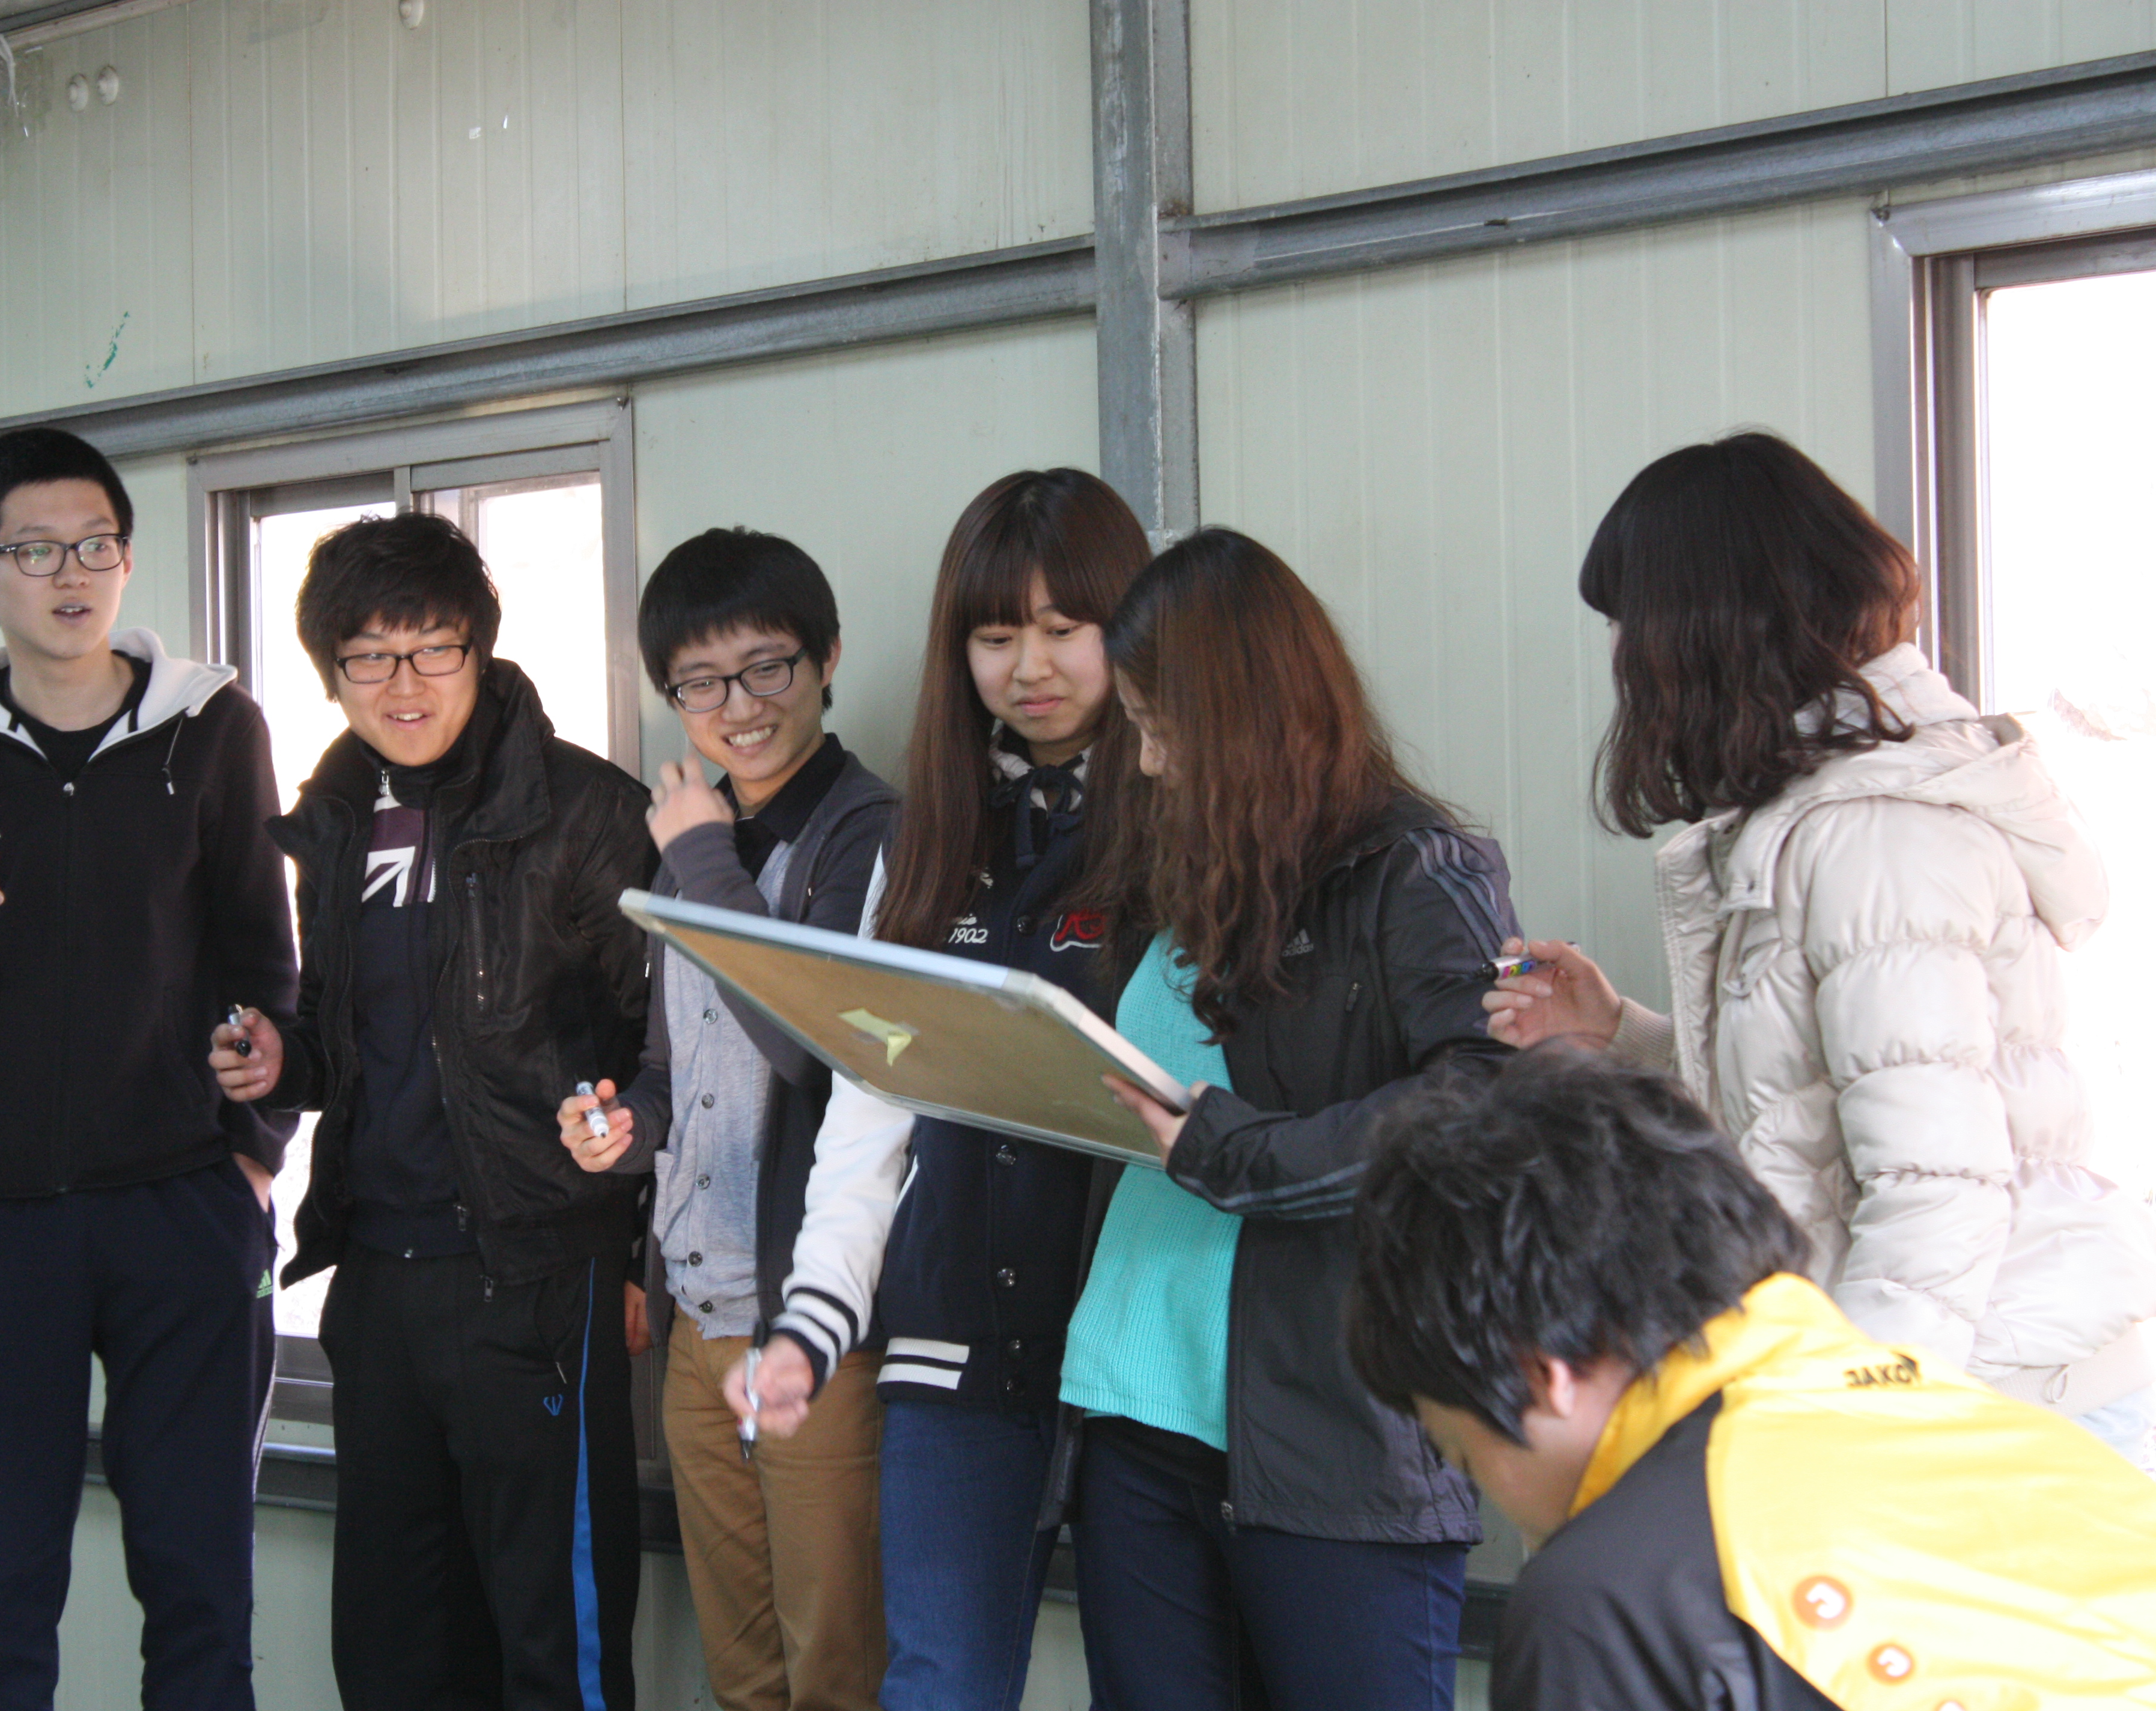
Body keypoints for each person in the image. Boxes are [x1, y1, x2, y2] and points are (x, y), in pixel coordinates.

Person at [1481, 431, 2156, 1469]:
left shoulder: (1875, 838)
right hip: (1971, 1385)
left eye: (1627, 622)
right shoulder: (1827, 812)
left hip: (1998, 1405)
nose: (1620, 656)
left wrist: (1853, 1436)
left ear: (1700, 627)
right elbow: (1824, 1101)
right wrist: (1621, 1035)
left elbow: (1934, 1188)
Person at [0, 427, 298, 1710]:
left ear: (127, 557)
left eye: (96, 545)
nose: (73, 574)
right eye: (38, 550)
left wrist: (253, 1159)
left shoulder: (213, 727)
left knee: (202, 1587)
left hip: (183, 1204)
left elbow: (264, 959)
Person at [1347, 1047, 2156, 1710]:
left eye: (1464, 1454)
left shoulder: (1608, 1600)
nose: (1494, 1493)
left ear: (1542, 1373)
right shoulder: (1997, 1429)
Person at [207, 512, 651, 1710]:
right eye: (369, 657)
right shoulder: (338, 815)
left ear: (479, 650)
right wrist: (281, 1062)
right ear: (331, 672)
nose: (403, 684)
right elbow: (349, 1032)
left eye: (433, 649)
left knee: (553, 1642)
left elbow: (662, 1048)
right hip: (378, 1278)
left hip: (533, 1272)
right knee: (393, 1643)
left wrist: (637, 1258)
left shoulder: (584, 809)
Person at [728, 468, 1153, 1711]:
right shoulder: (926, 838)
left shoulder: (1186, 827)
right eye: (996, 634)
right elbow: (871, 1105)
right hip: (952, 1340)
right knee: (939, 1681)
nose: (1032, 665)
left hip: (1141, 1348)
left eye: (1065, 627)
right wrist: (812, 1319)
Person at [1073, 527, 1512, 1710]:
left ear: (1245, 716)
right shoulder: (1180, 867)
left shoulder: (1422, 868)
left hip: (1336, 1436)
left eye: (1164, 726)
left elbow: (1481, 1108)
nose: (1150, 761)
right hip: (1136, 1414)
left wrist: (1236, 1153)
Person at [555, 527, 897, 1711]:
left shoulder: (868, 831)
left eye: (766, 667)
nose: (737, 707)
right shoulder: (691, 835)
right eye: (700, 683)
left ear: (827, 658)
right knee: (741, 1670)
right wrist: (627, 1129)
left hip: (816, 1328)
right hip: (697, 1319)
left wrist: (701, 858)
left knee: (833, 1668)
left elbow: (819, 1054)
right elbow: (672, 1065)